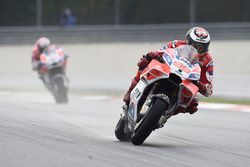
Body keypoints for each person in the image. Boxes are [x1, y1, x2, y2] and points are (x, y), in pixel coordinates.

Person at [123, 27, 214, 116]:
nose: (197, 49)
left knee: (193, 105)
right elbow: (160, 52)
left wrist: (203, 87)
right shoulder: (176, 44)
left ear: (206, 48)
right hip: (167, 70)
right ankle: (130, 91)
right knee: (145, 63)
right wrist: (153, 55)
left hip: (186, 80)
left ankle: (164, 116)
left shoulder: (207, 61)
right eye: (194, 45)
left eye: (200, 47)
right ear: (187, 41)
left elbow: (208, 87)